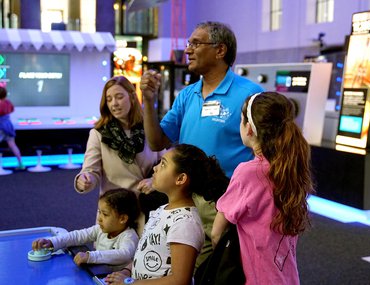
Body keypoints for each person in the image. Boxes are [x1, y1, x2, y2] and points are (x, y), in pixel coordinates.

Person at [140, 21, 264, 265]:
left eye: (196, 43)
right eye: (189, 44)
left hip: (226, 202)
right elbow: (156, 142)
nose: (187, 50)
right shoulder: (188, 94)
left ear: (220, 50)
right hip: (183, 199)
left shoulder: (250, 94)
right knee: (181, 268)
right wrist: (148, 101)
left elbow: (270, 150)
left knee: (218, 269)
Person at [211, 92, 314, 284]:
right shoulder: (291, 167)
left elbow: (217, 232)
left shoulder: (248, 173)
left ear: (249, 129)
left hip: (257, 278)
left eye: (241, 120)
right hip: (287, 276)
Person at [104, 144, 230, 285]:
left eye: (163, 164)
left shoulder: (185, 223)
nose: (155, 168)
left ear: (180, 179)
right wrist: (127, 271)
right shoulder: (161, 210)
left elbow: (180, 280)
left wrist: (129, 282)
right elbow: (147, 252)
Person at [74, 76, 166, 226]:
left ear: (132, 97)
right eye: (109, 99)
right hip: (114, 215)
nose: (114, 104)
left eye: (119, 97)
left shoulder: (149, 129)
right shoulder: (98, 134)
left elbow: (166, 164)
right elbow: (91, 171)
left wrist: (154, 181)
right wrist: (84, 179)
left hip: (148, 210)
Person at [32, 188, 140, 272]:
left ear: (123, 219)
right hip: (97, 274)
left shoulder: (129, 236)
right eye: (99, 212)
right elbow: (77, 236)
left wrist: (91, 256)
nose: (99, 218)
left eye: (105, 214)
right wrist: (52, 242)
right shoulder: (100, 229)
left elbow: (123, 254)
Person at [0, 86, 24, 170]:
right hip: (8, 126)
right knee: (13, 145)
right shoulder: (7, 102)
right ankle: (20, 164)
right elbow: (12, 110)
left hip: (1, 126)